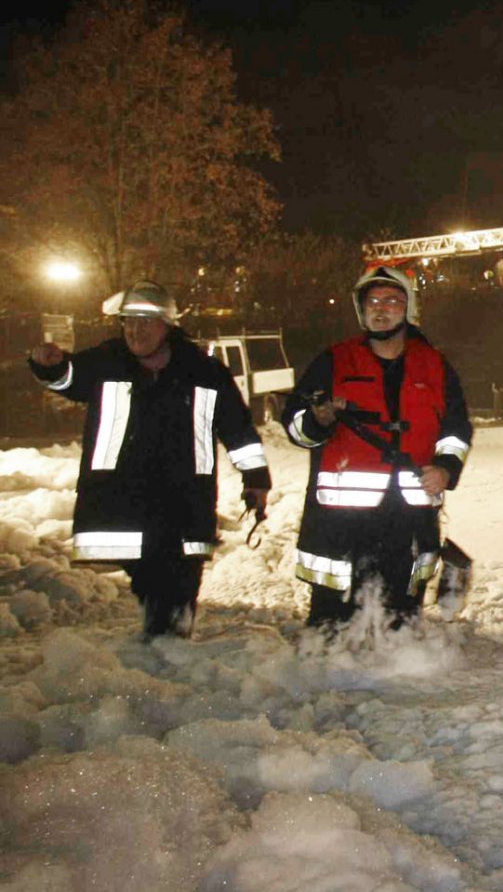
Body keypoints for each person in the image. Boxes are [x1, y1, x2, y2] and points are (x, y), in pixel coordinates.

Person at [26, 281, 271, 637]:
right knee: (149, 582)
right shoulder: (106, 362)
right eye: (129, 322)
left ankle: (170, 653)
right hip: (122, 501)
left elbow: (239, 430)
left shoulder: (204, 373)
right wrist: (49, 366)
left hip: (184, 502)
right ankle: (161, 653)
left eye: (145, 322)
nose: (135, 331)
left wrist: (257, 479)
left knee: (178, 583)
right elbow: (69, 378)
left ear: (167, 326)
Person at [283, 266, 472, 632]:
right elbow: (293, 425)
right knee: (332, 630)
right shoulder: (334, 361)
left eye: (391, 300)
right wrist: (317, 420)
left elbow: (456, 430)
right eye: (372, 301)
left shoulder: (435, 366)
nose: (380, 308)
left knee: (399, 624)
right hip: (340, 524)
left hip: (409, 519)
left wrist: (446, 468)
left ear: (409, 309)